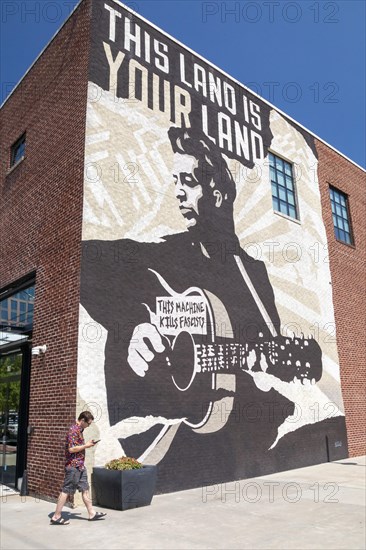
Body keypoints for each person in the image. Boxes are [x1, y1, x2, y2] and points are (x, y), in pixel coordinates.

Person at [80, 127, 344, 493]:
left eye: (188, 181)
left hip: (228, 444)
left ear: (217, 194)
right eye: (175, 181)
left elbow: (257, 361)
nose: (178, 191)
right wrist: (135, 320)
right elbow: (85, 258)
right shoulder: (165, 253)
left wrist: (267, 365)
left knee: (320, 427)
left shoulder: (253, 275)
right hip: (164, 438)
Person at [50, 411, 106, 525]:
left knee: (85, 488)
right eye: (88, 423)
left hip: (80, 466)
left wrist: (88, 444)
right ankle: (56, 516)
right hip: (73, 466)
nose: (89, 426)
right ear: (82, 421)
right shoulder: (73, 431)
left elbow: (78, 446)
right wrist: (86, 445)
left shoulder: (80, 430)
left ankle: (92, 513)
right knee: (66, 490)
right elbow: (71, 449)